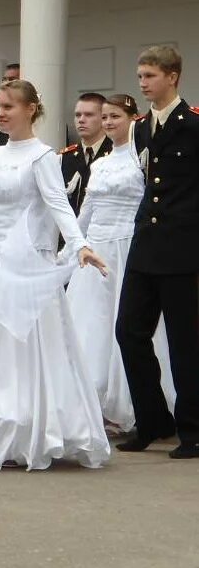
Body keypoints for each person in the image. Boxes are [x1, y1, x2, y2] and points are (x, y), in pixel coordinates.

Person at [0, 80, 110, 471]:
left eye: (10, 105)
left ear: (31, 109)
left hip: (28, 262)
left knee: (25, 344)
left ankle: (29, 430)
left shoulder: (43, 156)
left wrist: (79, 245)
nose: (3, 112)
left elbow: (59, 204)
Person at [67, 94, 175, 433]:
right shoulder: (98, 165)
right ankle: (93, 402)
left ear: (133, 118)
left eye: (116, 116)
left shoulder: (143, 161)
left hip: (130, 248)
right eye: (106, 117)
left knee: (128, 325)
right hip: (97, 249)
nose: (110, 122)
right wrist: (73, 247)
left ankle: (136, 405)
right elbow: (86, 212)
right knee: (91, 324)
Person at [115, 45, 199, 459]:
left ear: (173, 76)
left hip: (184, 249)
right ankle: (153, 420)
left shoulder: (194, 124)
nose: (143, 82)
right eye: (140, 75)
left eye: (149, 75)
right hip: (146, 246)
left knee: (186, 343)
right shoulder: (142, 126)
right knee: (128, 331)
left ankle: (193, 430)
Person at [60, 93, 111, 215]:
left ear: (103, 118)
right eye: (77, 115)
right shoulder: (64, 158)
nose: (81, 120)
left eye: (89, 115)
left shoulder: (115, 153)